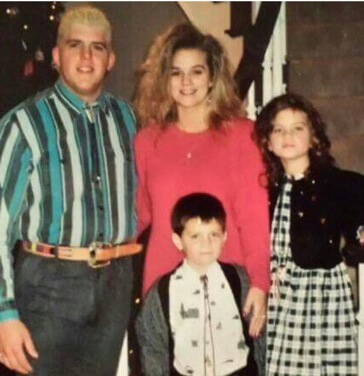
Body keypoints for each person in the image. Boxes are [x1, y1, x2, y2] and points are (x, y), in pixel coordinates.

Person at [0, 6, 140, 376]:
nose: (86, 56)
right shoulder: (23, 124)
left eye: (97, 47)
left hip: (115, 282)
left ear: (111, 59)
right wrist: (4, 314)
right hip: (47, 285)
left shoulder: (130, 120)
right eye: (75, 45)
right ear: (58, 57)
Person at [134, 22, 270, 337]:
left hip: (227, 285)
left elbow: (254, 218)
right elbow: (142, 217)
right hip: (164, 287)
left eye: (196, 71)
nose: (186, 82)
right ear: (164, 80)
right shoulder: (146, 141)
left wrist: (261, 283)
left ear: (212, 78)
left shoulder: (242, 135)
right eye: (175, 72)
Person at [254, 93, 364, 375]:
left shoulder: (335, 182)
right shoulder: (267, 188)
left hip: (320, 294)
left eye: (298, 128)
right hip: (280, 293)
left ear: (314, 137)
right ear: (267, 140)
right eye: (278, 129)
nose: (287, 135)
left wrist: (358, 236)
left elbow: (357, 208)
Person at [136, 192, 265, 376]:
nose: (206, 244)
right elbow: (152, 345)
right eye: (195, 236)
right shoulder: (164, 291)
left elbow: (259, 335)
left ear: (225, 237)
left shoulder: (239, 280)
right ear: (178, 240)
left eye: (214, 234)